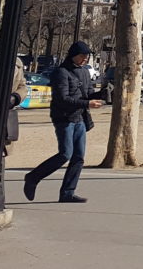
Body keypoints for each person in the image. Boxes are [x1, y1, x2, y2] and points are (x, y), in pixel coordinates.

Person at [23, 40, 103, 203]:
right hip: (64, 119)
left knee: (78, 157)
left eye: (87, 57)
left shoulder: (84, 73)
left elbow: (88, 93)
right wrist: (87, 103)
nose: (85, 60)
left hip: (79, 118)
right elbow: (62, 99)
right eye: (82, 56)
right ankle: (33, 177)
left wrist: (103, 94)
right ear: (73, 55)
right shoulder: (61, 72)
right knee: (65, 154)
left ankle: (67, 192)